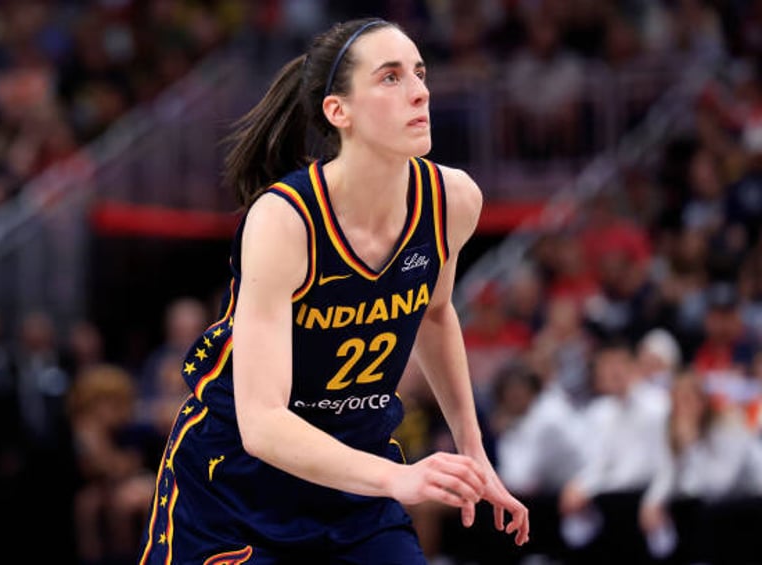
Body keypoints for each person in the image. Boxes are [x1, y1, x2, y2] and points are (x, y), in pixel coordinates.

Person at [138, 17, 529, 564]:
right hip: (234, 489)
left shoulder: (453, 199)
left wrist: (472, 446)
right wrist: (400, 478)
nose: (420, 90)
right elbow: (263, 423)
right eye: (391, 78)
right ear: (337, 111)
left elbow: (435, 314)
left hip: (355, 478)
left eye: (419, 73)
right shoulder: (285, 220)